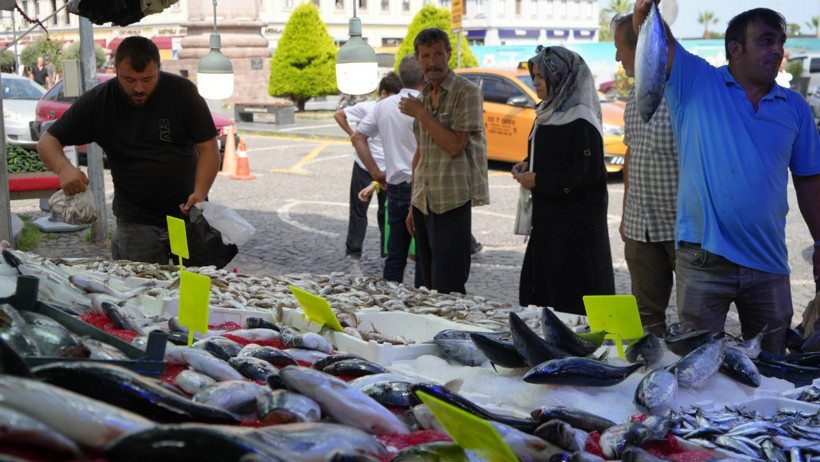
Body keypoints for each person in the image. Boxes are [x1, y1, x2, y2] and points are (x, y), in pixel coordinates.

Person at [633, 2, 820, 352]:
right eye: (766, 40)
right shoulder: (696, 80)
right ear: (735, 48)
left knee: (770, 365)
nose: (777, 50)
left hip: (769, 263)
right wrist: (646, 7)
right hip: (703, 260)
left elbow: (810, 181)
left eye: (780, 41)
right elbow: (650, 27)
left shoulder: (794, 106)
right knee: (698, 366)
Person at [37, 36, 220, 265]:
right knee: (145, 288)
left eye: (147, 79)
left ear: (159, 69)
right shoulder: (99, 102)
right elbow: (47, 142)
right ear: (116, 71)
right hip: (136, 221)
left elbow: (209, 148)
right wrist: (64, 169)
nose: (139, 88)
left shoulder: (182, 93)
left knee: (196, 284)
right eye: (129, 80)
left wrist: (200, 192)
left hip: (186, 215)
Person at [511, 45, 615, 315]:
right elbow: (553, 153)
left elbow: (587, 174)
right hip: (548, 222)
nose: (535, 82)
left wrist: (540, 180)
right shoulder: (548, 111)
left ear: (561, 78)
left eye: (541, 76)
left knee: (574, 297)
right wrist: (528, 163)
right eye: (534, 76)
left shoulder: (581, 121)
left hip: (576, 229)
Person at [399, 28, 489, 295]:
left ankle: (454, 334)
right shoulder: (425, 96)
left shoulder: (466, 92)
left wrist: (422, 114)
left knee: (449, 287)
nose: (433, 61)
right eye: (426, 55)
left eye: (438, 53)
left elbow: (455, 145)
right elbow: (421, 153)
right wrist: (413, 204)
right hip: (423, 203)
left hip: (451, 202)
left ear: (449, 54)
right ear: (418, 59)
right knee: (427, 285)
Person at [613, 14, 679, 337]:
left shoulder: (682, 94)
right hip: (641, 228)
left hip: (682, 226)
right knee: (647, 319)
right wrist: (627, 212)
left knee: (697, 318)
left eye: (619, 49)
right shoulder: (633, 96)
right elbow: (631, 152)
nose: (616, 58)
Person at [352, 55, 425, 288]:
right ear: (424, 76)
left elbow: (358, 137)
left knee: (395, 255)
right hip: (423, 188)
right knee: (424, 256)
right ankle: (424, 302)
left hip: (395, 188)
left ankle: (391, 301)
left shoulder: (383, 106)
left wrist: (375, 171)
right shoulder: (428, 103)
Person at [333, 72, 402, 277]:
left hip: (388, 171)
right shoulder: (369, 108)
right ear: (383, 93)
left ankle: (385, 257)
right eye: (392, 97)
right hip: (364, 167)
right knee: (359, 213)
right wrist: (353, 136)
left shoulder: (398, 110)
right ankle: (353, 257)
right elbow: (339, 115)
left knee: (387, 215)